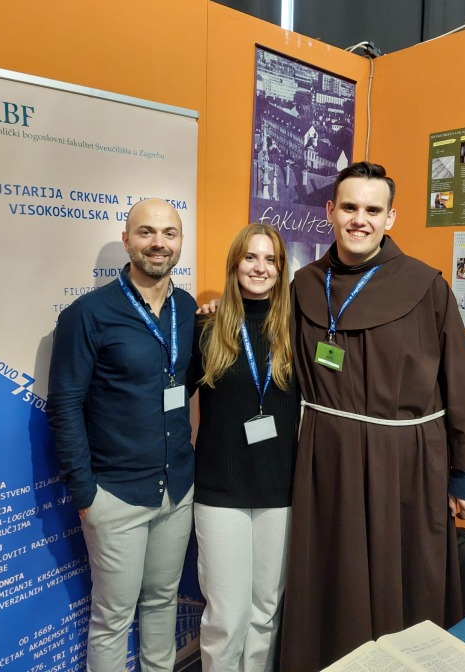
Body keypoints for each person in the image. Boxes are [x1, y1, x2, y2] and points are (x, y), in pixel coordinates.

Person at [279, 162, 465, 672]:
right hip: (326, 459)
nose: (360, 220)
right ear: (330, 211)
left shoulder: (425, 286)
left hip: (403, 464)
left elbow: (461, 380)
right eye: (349, 207)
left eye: (372, 210)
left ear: (390, 217)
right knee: (331, 576)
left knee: (403, 580)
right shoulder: (305, 284)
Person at [46, 198, 197, 672]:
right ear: (128, 240)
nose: (159, 243)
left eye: (169, 233)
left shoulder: (187, 308)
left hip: (177, 490)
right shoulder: (88, 314)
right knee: (112, 618)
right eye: (146, 232)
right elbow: (64, 406)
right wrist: (86, 494)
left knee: (163, 601)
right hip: (116, 495)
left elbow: (184, 382)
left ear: (180, 242)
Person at [187, 223, 299, 672]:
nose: (260, 268)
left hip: (280, 490)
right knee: (225, 617)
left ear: (282, 268)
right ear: (235, 263)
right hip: (220, 490)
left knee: (265, 611)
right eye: (250, 257)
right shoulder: (206, 327)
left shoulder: (296, 330)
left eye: (270, 259)